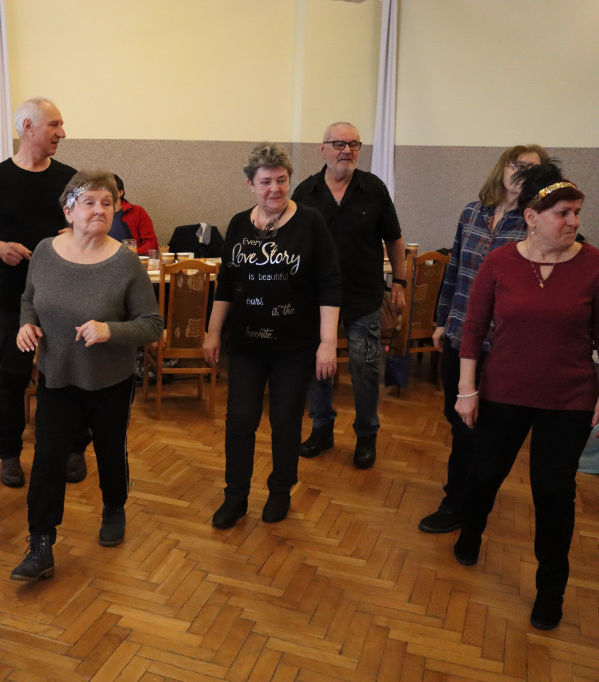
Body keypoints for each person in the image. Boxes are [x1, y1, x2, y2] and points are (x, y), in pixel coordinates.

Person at [453, 161, 596, 631]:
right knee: (485, 474)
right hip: (504, 392)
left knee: (553, 492)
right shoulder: (501, 262)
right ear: (532, 217)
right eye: (562, 213)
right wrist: (467, 390)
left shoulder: (594, 264)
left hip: (569, 397)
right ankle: (471, 531)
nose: (573, 221)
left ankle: (550, 588)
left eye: (576, 212)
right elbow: (473, 330)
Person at [9, 170, 162, 582]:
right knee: (47, 460)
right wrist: (27, 325)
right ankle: (40, 544)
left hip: (109, 382)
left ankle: (114, 508)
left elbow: (152, 325)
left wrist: (110, 330)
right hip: (56, 377)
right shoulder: (44, 250)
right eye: (90, 202)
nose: (99, 210)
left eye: (107, 203)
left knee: (111, 452)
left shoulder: (125, 261)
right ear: (69, 210)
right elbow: (28, 300)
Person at [203, 144, 341, 528]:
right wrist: (213, 333)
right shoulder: (237, 224)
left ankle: (280, 490)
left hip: (294, 347)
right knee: (240, 420)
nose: (275, 189)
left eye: (282, 180)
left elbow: (330, 284)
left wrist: (327, 342)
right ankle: (236, 496)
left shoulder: (311, 222)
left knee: (285, 421)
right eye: (266, 182)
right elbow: (226, 283)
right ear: (251, 184)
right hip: (246, 345)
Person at [418, 144, 548, 534]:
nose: (520, 171)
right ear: (502, 168)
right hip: (459, 334)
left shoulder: (534, 222)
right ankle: (470, 493)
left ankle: (459, 504)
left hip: (500, 345)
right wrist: (441, 320)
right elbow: (455, 267)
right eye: (515, 164)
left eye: (530, 168)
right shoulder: (473, 213)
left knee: (476, 429)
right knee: (455, 418)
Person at [0, 97, 84, 487]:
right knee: (12, 376)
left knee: (67, 375)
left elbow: (84, 231)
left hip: (65, 297)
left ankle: (72, 447)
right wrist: (1, 248)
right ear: (28, 128)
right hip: (13, 299)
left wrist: (68, 239)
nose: (62, 133)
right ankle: (9, 454)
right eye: (54, 124)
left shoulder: (70, 180)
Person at [293, 121, 407, 469]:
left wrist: (399, 281)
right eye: (339, 143)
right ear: (322, 148)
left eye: (354, 144)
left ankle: (366, 436)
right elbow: (292, 242)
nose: (347, 150)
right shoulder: (305, 192)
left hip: (365, 299)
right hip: (316, 301)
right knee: (319, 367)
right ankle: (322, 429)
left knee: (366, 367)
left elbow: (394, 238)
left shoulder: (373, 188)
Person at [112, 175, 158, 255]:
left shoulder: (137, 212)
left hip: (131, 261)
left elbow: (151, 244)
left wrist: (132, 254)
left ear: (120, 193)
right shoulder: (95, 214)